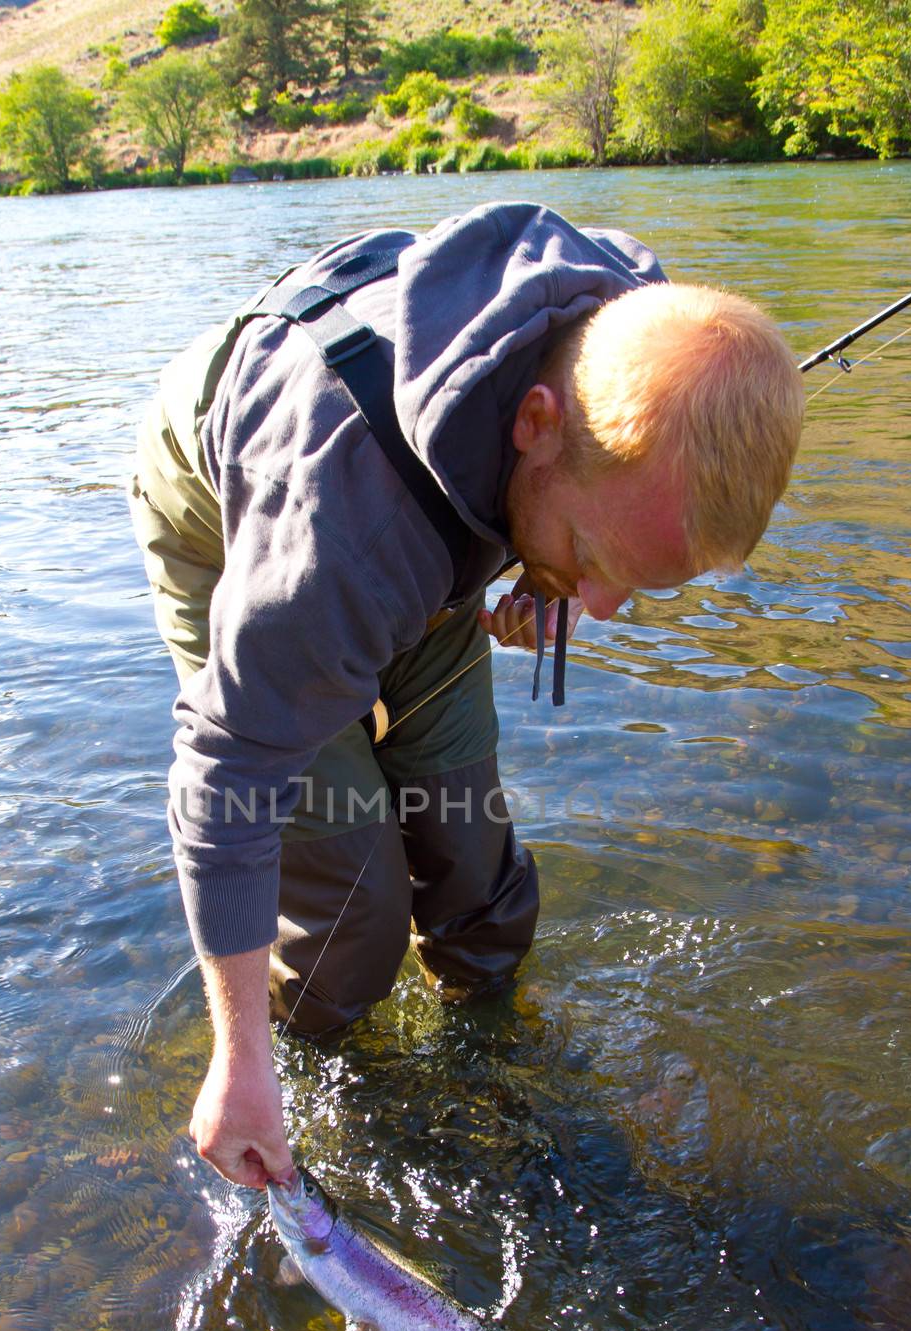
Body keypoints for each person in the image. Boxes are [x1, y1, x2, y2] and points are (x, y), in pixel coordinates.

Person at [129, 202, 804, 1192]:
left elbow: (591, 496)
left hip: (435, 497)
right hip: (240, 511)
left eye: (633, 582)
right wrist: (238, 1064)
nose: (601, 609)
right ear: (535, 424)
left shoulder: (634, 328)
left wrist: (554, 567)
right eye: (598, 563)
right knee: (351, 920)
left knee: (474, 874)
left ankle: (492, 1072)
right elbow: (225, 780)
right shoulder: (335, 547)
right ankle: (319, 1095)